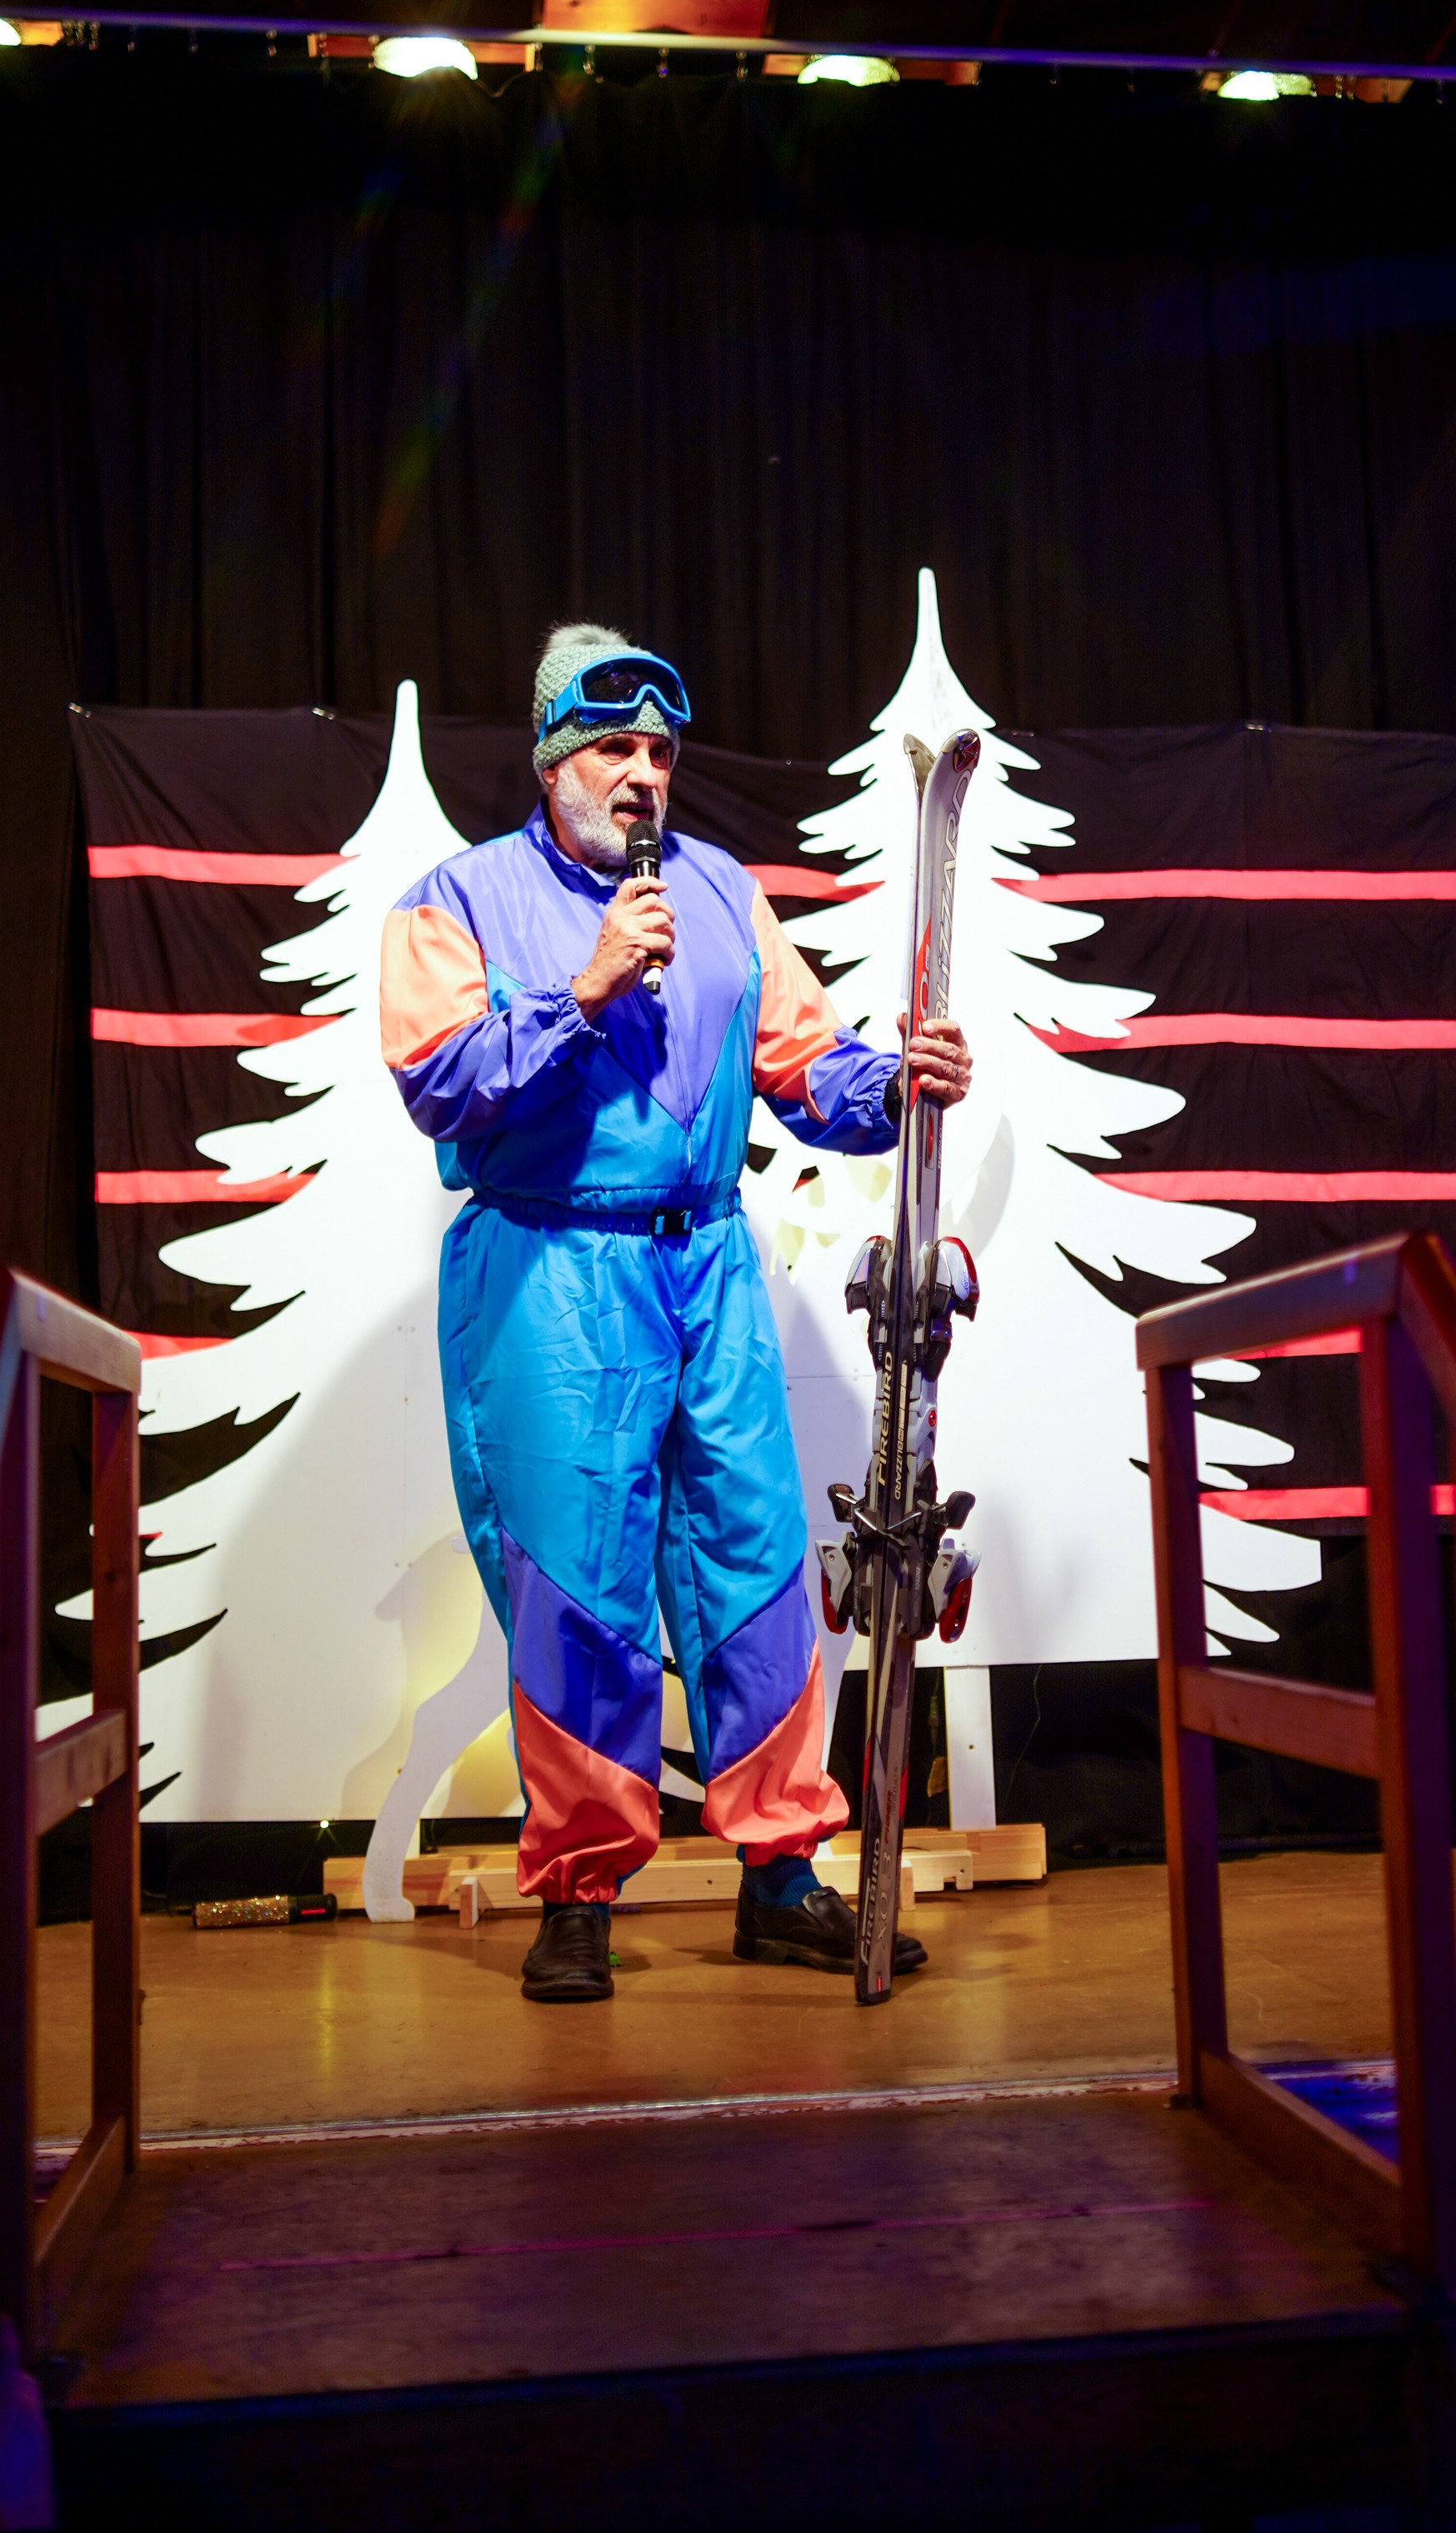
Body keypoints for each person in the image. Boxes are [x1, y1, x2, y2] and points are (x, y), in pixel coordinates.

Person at [379, 623, 973, 2004]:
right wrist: (584, 989)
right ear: (551, 764)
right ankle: (580, 1893)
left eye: (658, 750)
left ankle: (781, 1874)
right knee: (576, 1582)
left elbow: (806, 1065)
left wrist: (896, 1083)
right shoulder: (456, 900)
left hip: (705, 1265)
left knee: (748, 1561)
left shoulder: (719, 892)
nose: (642, 773)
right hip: (551, 1271)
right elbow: (440, 1083)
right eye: (611, 748)